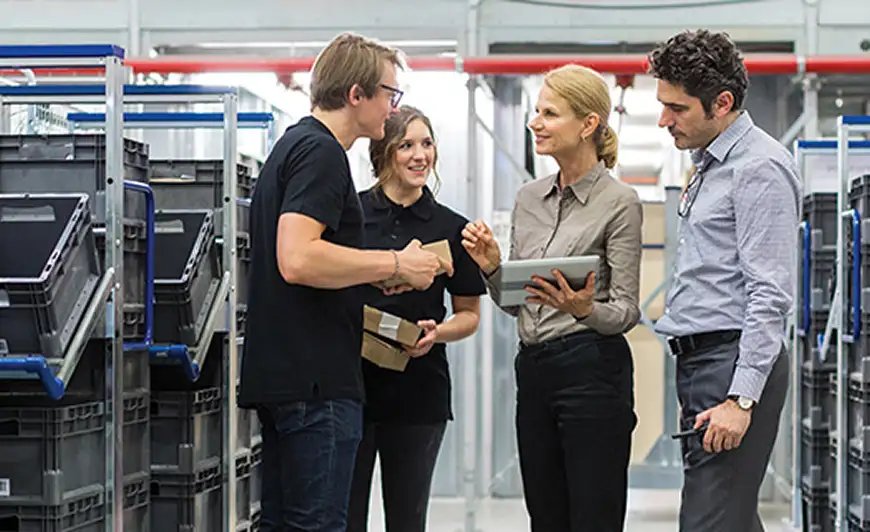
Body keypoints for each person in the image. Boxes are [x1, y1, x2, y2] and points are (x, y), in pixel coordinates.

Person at [238, 32, 453, 532]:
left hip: (285, 376)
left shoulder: (293, 146)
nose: (392, 108)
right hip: (315, 386)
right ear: (356, 94)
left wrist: (372, 281)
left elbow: (305, 264)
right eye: (389, 95)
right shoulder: (322, 153)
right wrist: (395, 263)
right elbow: (297, 258)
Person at [461, 64, 642, 532]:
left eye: (549, 113)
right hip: (535, 369)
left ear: (588, 124)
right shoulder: (528, 199)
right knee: (545, 517)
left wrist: (584, 308)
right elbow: (519, 301)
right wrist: (493, 269)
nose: (535, 122)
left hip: (593, 369)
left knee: (593, 517)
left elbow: (626, 309)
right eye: (536, 111)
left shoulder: (620, 202)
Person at [649, 29, 800, 531]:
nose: (664, 119)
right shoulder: (711, 164)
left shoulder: (758, 167)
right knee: (728, 517)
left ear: (722, 102)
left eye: (677, 108)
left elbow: (769, 294)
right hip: (702, 362)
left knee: (708, 522)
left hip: (731, 364)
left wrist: (741, 399)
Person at [346, 105, 486, 532]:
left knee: (407, 520)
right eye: (406, 145)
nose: (419, 155)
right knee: (344, 519)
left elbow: (470, 315)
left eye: (427, 144)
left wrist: (437, 332)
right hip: (350, 389)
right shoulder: (349, 218)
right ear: (383, 152)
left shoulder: (452, 228)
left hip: (418, 393)